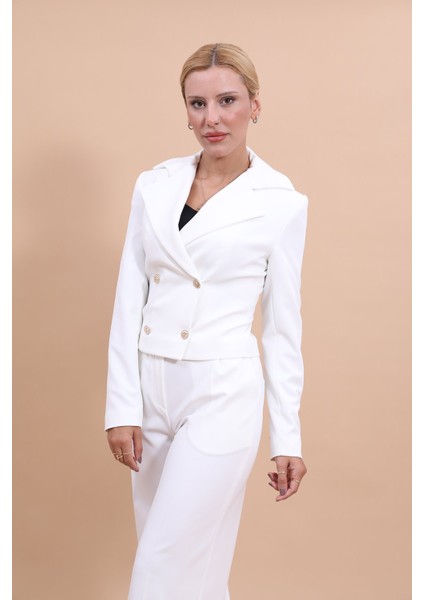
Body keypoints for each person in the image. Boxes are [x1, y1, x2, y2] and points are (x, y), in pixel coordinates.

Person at [105, 42, 308, 600]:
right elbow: (129, 295)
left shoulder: (281, 202)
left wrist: (287, 437)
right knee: (195, 571)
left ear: (254, 106)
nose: (212, 118)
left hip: (222, 392)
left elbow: (282, 328)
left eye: (227, 101)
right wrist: (121, 406)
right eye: (197, 104)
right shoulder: (154, 185)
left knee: (162, 565)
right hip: (151, 388)